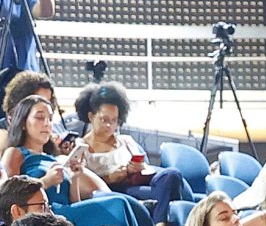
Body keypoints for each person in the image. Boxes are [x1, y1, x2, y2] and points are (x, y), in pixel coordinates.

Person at [69, 81, 190, 217]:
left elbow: (146, 170)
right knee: (163, 196)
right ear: (91, 116)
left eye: (114, 120)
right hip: (112, 192)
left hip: (137, 185)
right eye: (104, 119)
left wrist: (138, 168)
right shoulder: (82, 147)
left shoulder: (126, 141)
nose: (109, 125)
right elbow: (82, 182)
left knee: (171, 174)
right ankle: (162, 224)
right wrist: (110, 178)